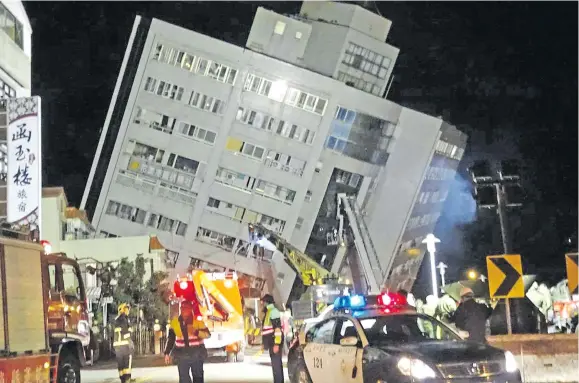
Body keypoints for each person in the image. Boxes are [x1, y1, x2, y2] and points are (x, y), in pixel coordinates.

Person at [164, 300, 211, 383]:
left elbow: (208, 335)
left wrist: (196, 332)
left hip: (197, 354)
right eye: (183, 309)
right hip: (182, 355)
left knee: (198, 378)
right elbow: (171, 339)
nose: (185, 311)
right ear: (180, 310)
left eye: (187, 309)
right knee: (183, 379)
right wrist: (167, 353)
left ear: (191, 310)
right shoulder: (175, 323)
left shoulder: (198, 322)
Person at [261, 294, 284, 383]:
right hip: (271, 342)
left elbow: (277, 329)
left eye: (263, 302)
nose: (262, 304)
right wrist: (264, 343)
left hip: (274, 342)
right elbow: (267, 329)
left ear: (267, 302)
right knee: (275, 365)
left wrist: (277, 344)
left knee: (277, 365)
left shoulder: (273, 311)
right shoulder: (269, 312)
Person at [113, 303, 134, 383]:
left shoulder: (116, 320)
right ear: (123, 310)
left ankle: (122, 379)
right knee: (127, 364)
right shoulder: (125, 319)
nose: (128, 311)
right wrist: (130, 338)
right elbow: (126, 332)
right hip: (125, 345)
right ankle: (127, 379)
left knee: (120, 364)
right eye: (127, 309)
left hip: (117, 347)